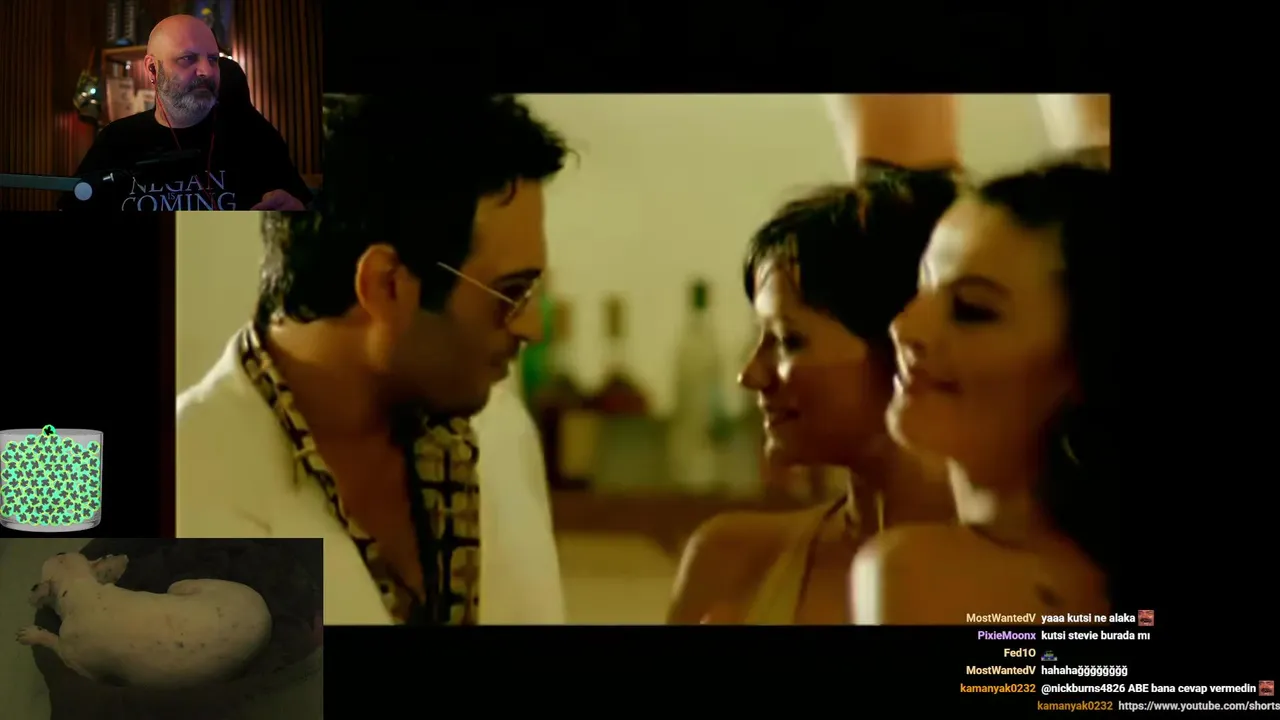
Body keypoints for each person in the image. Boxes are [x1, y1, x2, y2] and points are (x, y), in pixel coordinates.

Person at [176, 94, 570, 625]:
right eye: (512, 293)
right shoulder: (182, 483)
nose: (532, 329)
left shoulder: (502, 432)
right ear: (386, 285)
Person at [666, 96, 964, 625]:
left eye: (789, 340)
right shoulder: (731, 561)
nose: (750, 375)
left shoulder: (1028, 587)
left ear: (906, 347)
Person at [850, 156, 1123, 622]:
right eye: (922, 288)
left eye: (972, 309)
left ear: (1085, 364)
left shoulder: (917, 573)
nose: (904, 327)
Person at [59, 14, 310, 211]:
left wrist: (296, 210)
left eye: (213, 59)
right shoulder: (116, 139)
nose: (206, 71)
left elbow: (304, 210)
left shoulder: (253, 135)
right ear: (152, 69)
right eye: (188, 58)